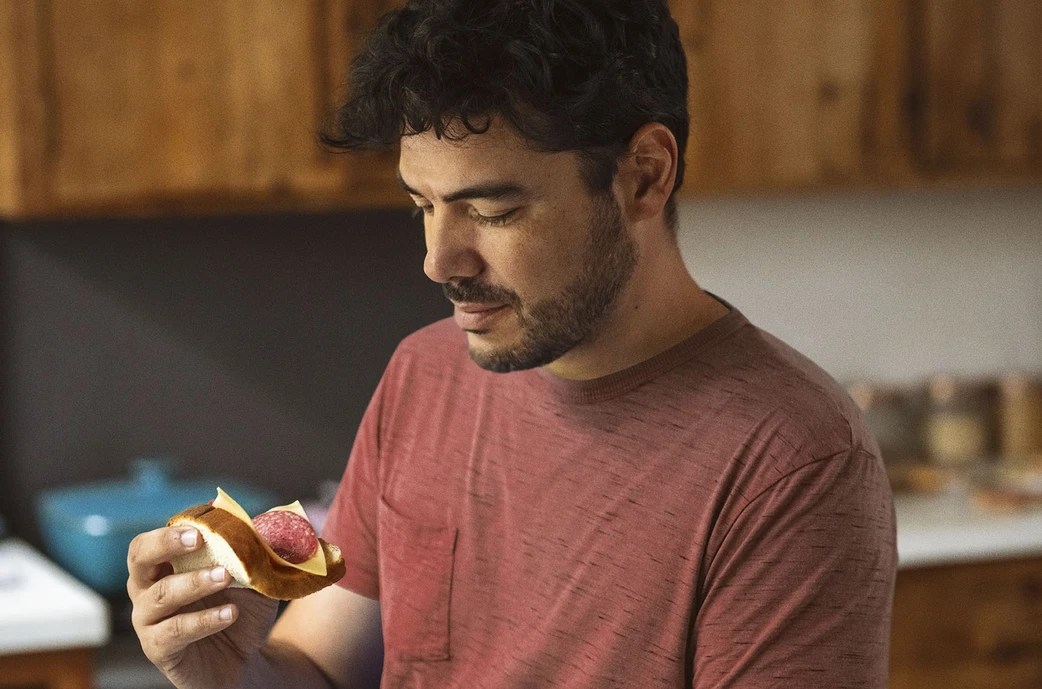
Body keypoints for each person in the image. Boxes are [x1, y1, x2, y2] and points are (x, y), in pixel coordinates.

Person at [125, 1, 896, 687]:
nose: (438, 260)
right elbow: (327, 668)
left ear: (644, 177)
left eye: (491, 210)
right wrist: (234, 676)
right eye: (422, 204)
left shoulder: (793, 458)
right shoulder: (423, 373)